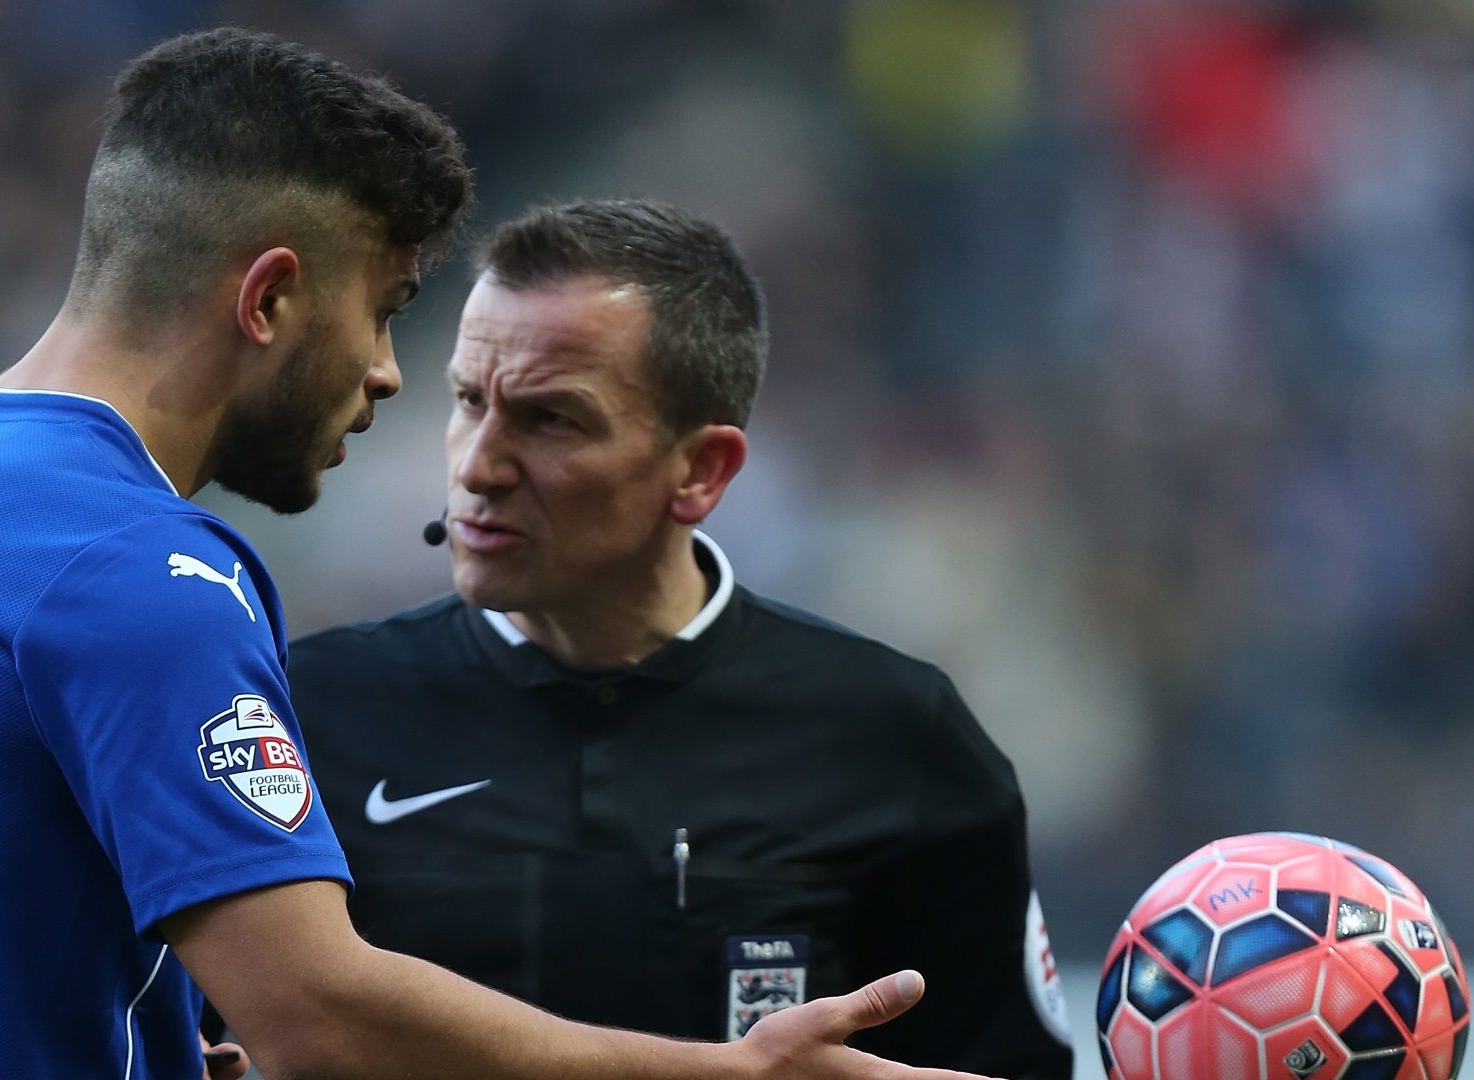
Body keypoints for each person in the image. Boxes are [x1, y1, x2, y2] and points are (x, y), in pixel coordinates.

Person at [0, 29, 998, 1080]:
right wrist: (722, 1074)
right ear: (269, 298)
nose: (388, 373)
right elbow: (316, 1015)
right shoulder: (131, 570)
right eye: (383, 310)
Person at [286, 200, 1075, 1079]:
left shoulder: (898, 737)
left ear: (701, 470)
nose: (477, 465)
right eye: (469, 401)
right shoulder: (308, 714)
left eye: (552, 420)